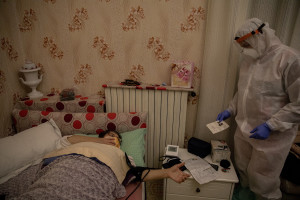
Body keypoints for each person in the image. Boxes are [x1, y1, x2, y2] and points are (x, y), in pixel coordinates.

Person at [217, 18, 300, 200]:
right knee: (242, 167)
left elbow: (298, 103)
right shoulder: (249, 60)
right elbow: (244, 92)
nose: (245, 49)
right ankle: (246, 195)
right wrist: (230, 110)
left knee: (263, 178)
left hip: (272, 136)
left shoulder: (290, 59)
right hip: (244, 128)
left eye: (246, 43)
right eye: (242, 45)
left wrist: (271, 125)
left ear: (259, 36)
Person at [66, 131, 190, 184]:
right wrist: (100, 141)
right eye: (111, 135)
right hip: (71, 166)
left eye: (117, 139)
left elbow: (136, 174)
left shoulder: (123, 156)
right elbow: (68, 140)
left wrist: (166, 172)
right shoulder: (88, 143)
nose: (115, 138)